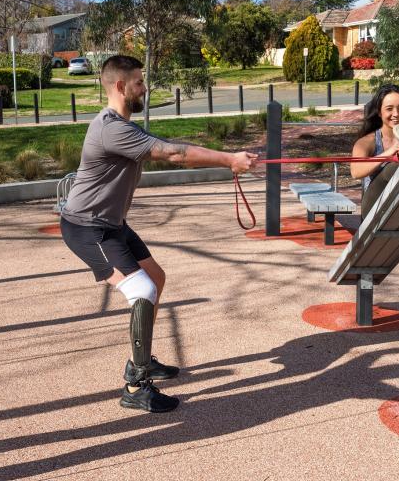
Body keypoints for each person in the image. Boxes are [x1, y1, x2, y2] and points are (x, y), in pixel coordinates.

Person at [59, 55, 257, 413]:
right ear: (120, 86)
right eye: (138, 82)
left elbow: (171, 147)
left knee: (155, 278)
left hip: (111, 223)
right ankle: (135, 385)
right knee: (142, 290)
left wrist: (226, 158)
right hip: (87, 228)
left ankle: (143, 359)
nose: (144, 88)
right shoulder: (111, 129)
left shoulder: (123, 126)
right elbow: (173, 154)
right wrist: (229, 159)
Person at [351, 84, 399, 216]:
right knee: (393, 167)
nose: (396, 114)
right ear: (379, 112)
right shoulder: (367, 142)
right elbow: (355, 172)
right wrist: (389, 153)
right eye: (389, 109)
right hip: (374, 208)